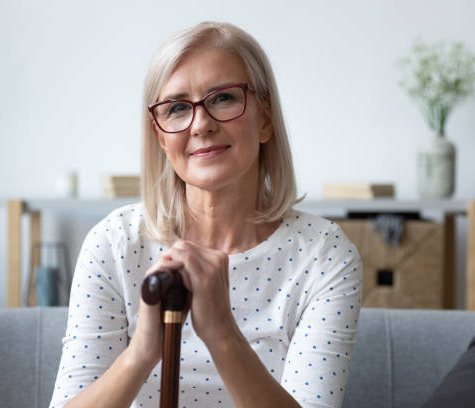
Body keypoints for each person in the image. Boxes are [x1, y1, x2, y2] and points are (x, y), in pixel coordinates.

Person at [49, 21, 362, 408]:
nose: (201, 124)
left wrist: (222, 334)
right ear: (161, 137)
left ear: (265, 119)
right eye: (177, 108)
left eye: (224, 99)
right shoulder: (114, 244)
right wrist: (142, 353)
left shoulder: (323, 255)